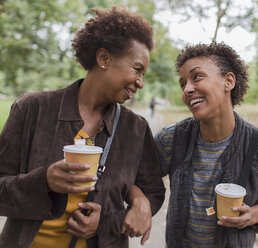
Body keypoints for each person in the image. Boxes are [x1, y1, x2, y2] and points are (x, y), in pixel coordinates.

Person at [0, 6, 165, 248]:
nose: (140, 82)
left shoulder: (135, 129)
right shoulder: (32, 109)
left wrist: (119, 216)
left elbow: (154, 192)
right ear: (104, 59)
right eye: (137, 69)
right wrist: (44, 180)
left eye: (144, 74)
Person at [154, 42, 258, 247]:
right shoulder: (171, 139)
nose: (187, 89)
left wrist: (252, 215)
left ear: (228, 81)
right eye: (183, 83)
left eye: (197, 77)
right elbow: (139, 177)